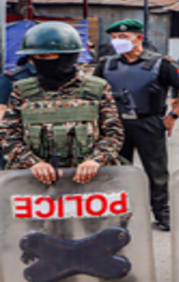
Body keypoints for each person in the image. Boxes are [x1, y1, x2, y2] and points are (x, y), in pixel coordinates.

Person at [95, 19, 179, 231]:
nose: (117, 41)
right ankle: (118, 214)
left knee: (156, 171)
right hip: (115, 125)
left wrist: (173, 117)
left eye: (123, 37)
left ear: (139, 38)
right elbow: (92, 93)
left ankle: (162, 213)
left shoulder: (162, 63)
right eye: (113, 38)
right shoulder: (106, 64)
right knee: (116, 172)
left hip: (148, 122)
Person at [2, 22, 124, 186]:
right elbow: (8, 134)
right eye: (35, 58)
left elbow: (114, 132)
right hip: (33, 183)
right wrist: (33, 162)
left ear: (68, 56)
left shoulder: (97, 88)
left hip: (91, 183)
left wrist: (95, 160)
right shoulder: (22, 90)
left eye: (46, 57)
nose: (40, 62)